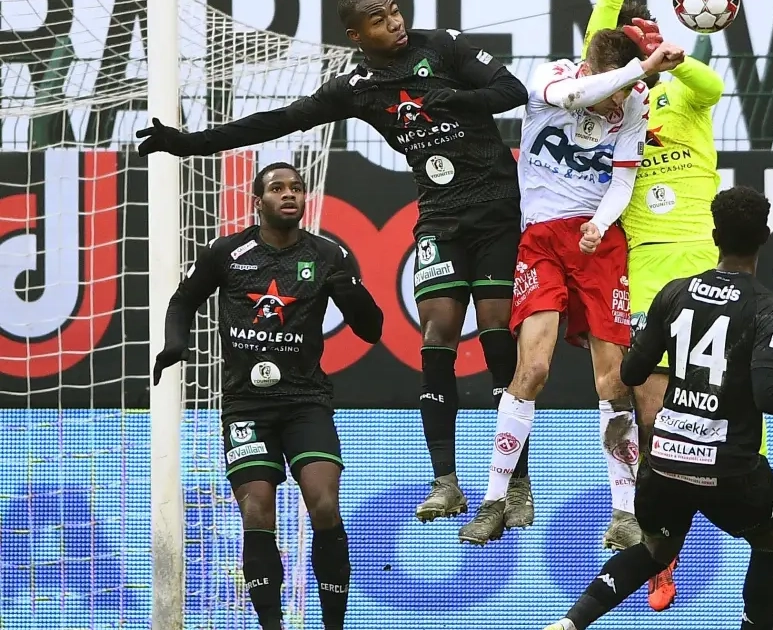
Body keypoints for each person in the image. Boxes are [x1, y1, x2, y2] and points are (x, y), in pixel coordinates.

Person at [136, 0, 534, 527]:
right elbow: (278, 120)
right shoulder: (357, 87)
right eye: (378, 19)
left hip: (496, 210)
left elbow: (512, 90)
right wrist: (188, 143)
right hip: (440, 217)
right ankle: (446, 482)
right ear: (356, 34)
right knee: (436, 334)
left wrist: (456, 98)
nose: (394, 22)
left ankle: (516, 483)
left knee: (495, 333)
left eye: (394, 10)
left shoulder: (442, 46)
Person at [541, 186, 773, 630]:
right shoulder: (768, 307)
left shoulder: (675, 293)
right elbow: (769, 395)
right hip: (729, 468)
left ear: (715, 236)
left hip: (666, 461)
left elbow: (633, 372)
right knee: (771, 540)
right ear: (765, 237)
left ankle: (570, 623)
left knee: (656, 550)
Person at [455, 30, 684, 546]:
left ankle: (624, 512)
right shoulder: (552, 77)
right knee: (532, 369)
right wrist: (642, 69)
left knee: (612, 379)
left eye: (626, 95)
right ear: (591, 70)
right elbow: (578, 96)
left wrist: (600, 223)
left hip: (597, 244)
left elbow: (622, 178)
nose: (619, 104)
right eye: (614, 91)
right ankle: (494, 499)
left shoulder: (633, 99)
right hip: (541, 240)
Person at [151, 163, 384, 630]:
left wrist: (353, 294)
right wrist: (175, 342)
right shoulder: (227, 252)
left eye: (296, 187)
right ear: (258, 202)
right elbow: (183, 300)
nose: (289, 194)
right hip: (247, 405)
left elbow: (371, 330)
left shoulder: (328, 255)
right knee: (257, 509)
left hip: (306, 401)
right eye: (277, 188)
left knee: (324, 504)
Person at [583, 1, 730, 610]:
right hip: (642, 266)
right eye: (631, 35)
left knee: (723, 403)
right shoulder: (613, 97)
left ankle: (745, 489)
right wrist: (629, 52)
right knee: (653, 419)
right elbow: (597, 42)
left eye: (647, 32)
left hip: (702, 259)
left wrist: (672, 60)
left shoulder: (684, 88)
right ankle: (659, 547)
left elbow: (712, 85)